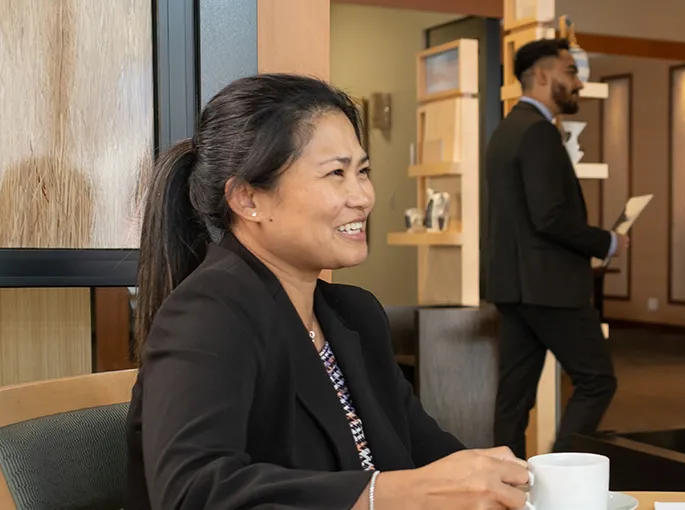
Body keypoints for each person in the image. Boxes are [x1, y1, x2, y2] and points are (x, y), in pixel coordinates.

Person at [126, 74, 529, 510]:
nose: (363, 197)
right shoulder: (208, 313)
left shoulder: (354, 313)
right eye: (336, 173)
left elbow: (428, 450)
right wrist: (383, 494)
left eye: (363, 171)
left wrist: (506, 483)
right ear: (248, 199)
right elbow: (192, 494)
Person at [482, 38, 628, 459]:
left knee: (514, 397)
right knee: (597, 379)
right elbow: (549, 217)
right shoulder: (538, 132)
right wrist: (608, 241)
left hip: (514, 287)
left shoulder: (506, 130)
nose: (578, 82)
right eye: (570, 71)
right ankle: (563, 468)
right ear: (543, 76)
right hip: (550, 287)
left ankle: (502, 481)